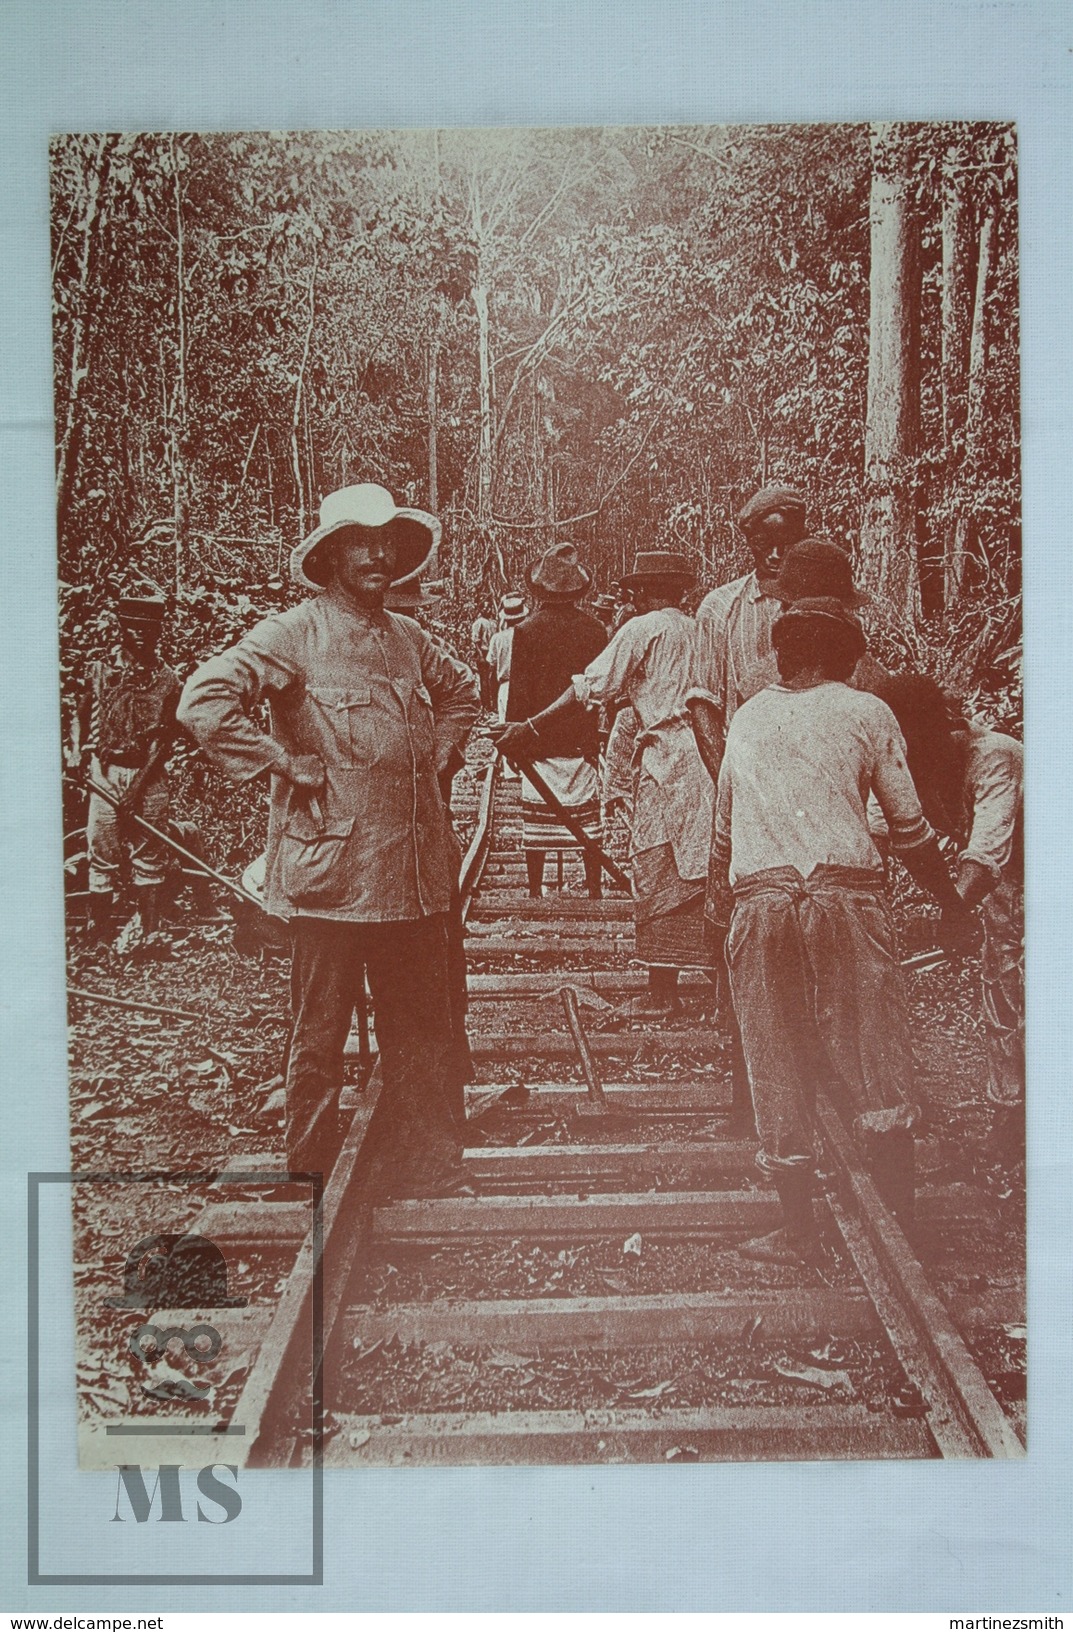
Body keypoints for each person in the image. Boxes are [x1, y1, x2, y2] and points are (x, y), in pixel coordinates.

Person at [177, 482, 480, 1192]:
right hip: (333, 881)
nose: (376, 555)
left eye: (386, 544)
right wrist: (281, 763)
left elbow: (463, 690)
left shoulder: (408, 639)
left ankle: (430, 1164)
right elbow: (204, 700)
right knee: (318, 1036)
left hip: (409, 877)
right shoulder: (295, 632)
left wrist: (440, 753)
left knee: (422, 1030)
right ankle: (308, 1167)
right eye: (359, 543)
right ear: (332, 554)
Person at [709, 597, 977, 1264]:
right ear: (842, 657)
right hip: (844, 897)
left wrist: (721, 921)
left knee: (774, 1052)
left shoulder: (745, 717)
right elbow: (908, 826)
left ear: (783, 654)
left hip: (760, 900)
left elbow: (720, 838)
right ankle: (903, 1226)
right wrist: (950, 903)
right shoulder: (865, 712)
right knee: (873, 1049)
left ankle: (797, 1229)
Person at [494, 550, 714, 1018]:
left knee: (659, 865)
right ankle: (716, 983)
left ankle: (663, 992)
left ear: (646, 591)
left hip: (667, 761)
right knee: (701, 867)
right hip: (705, 758)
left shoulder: (642, 629)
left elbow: (587, 688)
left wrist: (529, 728)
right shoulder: (698, 628)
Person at [876, 673, 1025, 1163]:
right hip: (1011, 888)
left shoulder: (994, 757)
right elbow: (878, 828)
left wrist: (953, 912)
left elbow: (984, 854)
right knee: (1002, 988)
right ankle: (1010, 1116)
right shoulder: (916, 765)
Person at [67, 594, 181, 944]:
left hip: (148, 776)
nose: (143, 636)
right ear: (121, 629)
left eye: (150, 629)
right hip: (105, 773)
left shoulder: (168, 680)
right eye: (135, 629)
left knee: (150, 856)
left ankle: (149, 935)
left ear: (159, 631)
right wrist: (76, 754)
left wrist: (136, 790)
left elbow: (164, 742)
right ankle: (99, 935)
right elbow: (81, 714)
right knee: (101, 853)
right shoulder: (99, 671)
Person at [506, 543, 608, 898]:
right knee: (587, 823)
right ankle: (594, 888)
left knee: (537, 822)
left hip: (538, 742)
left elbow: (518, 695)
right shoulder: (595, 630)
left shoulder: (526, 631)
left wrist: (514, 742)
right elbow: (598, 693)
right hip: (580, 740)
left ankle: (535, 890)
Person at [696, 483, 810, 730]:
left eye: (787, 543)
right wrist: (723, 769)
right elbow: (703, 704)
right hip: (747, 757)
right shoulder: (720, 607)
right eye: (763, 543)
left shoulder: (826, 603)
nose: (776, 554)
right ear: (749, 543)